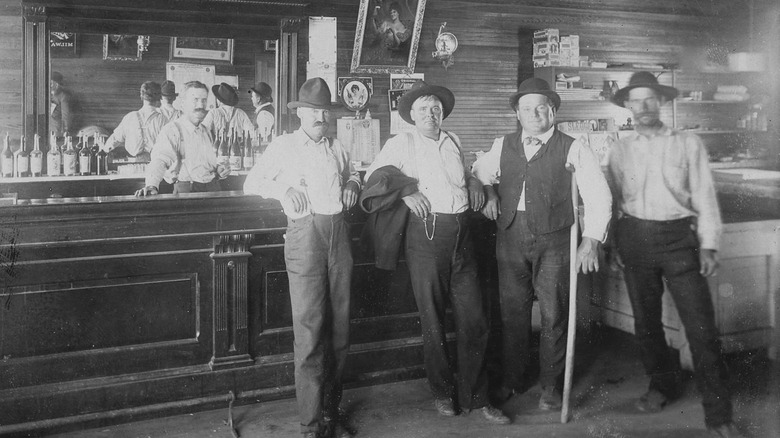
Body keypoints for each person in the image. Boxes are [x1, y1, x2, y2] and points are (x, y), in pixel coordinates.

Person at [364, 80, 511, 425]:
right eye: (423, 109)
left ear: (442, 112)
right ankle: (443, 393)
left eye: (435, 108)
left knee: (474, 318)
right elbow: (374, 176)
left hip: (463, 235)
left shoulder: (453, 140)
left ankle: (478, 395)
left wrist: (475, 183)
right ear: (411, 116)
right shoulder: (403, 141)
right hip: (427, 235)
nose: (430, 114)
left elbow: (466, 175)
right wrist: (405, 192)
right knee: (433, 319)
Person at [607, 71, 743, 438]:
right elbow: (615, 203)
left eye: (650, 99)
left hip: (680, 239)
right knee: (646, 325)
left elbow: (704, 196)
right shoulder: (618, 149)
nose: (644, 107)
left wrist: (710, 244)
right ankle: (662, 386)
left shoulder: (688, 143)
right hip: (635, 237)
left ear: (662, 102)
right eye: (636, 101)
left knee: (701, 327)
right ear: (627, 107)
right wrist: (617, 245)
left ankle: (718, 413)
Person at [471, 77, 612, 410]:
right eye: (526, 108)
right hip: (510, 236)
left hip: (556, 239)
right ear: (517, 114)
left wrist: (591, 239)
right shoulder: (501, 144)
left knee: (554, 314)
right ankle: (513, 379)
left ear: (553, 111)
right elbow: (478, 172)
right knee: (512, 313)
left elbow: (598, 194)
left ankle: (551, 385)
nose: (534, 113)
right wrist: (489, 191)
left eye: (541, 107)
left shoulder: (573, 146)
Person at [243, 78, 361, 438]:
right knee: (309, 335)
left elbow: (352, 172)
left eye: (325, 111)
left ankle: (330, 416)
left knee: (339, 333)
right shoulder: (284, 146)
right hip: (304, 237)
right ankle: (310, 428)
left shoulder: (337, 146)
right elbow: (251, 183)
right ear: (301, 114)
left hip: (338, 236)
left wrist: (354, 183)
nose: (320, 117)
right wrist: (284, 189)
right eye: (314, 111)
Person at [135, 81, 229, 196]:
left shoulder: (207, 131)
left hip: (213, 189)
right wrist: (151, 185)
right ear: (183, 103)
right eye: (195, 100)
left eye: (203, 100)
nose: (200, 105)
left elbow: (208, 166)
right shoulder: (172, 130)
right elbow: (159, 160)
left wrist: (219, 170)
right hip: (188, 192)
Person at [104, 81, 165, 158]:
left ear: (141, 96)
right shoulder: (163, 119)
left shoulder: (130, 117)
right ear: (159, 97)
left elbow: (115, 139)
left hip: (134, 165)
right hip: (157, 163)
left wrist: (104, 151)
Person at [50, 71, 74, 136]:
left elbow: (65, 115)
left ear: (57, 84)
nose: (49, 85)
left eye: (51, 83)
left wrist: (65, 129)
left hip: (56, 128)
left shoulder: (63, 96)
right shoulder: (47, 94)